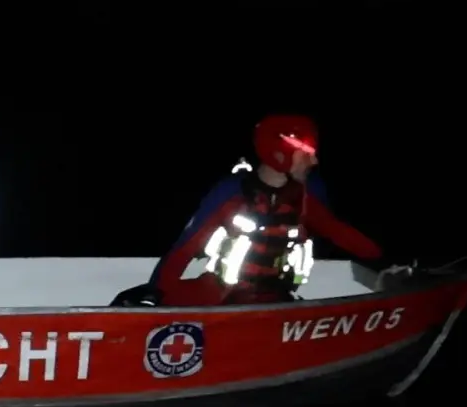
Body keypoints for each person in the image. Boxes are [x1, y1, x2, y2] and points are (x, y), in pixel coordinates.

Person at [149, 113, 384, 306]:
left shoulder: (304, 199)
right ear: (280, 153)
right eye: (307, 154)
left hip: (275, 302)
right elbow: (184, 249)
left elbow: (340, 233)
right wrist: (155, 295)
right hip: (220, 298)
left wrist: (385, 260)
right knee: (140, 298)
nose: (314, 163)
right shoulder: (231, 194)